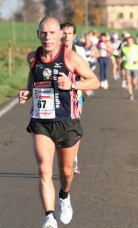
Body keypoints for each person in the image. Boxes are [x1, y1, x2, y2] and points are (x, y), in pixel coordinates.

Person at [18, 17, 100, 228]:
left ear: (60, 35)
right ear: (38, 34)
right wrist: (28, 92)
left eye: (52, 33)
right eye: (44, 33)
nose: (48, 37)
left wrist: (72, 84)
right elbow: (33, 78)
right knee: (44, 168)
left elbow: (94, 82)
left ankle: (64, 195)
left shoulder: (71, 57)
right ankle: (49, 218)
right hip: (41, 121)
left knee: (65, 171)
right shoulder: (32, 58)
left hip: (67, 122)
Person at [60, 21, 92, 175]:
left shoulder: (79, 51)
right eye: (63, 33)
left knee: (74, 124)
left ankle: (74, 159)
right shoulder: (54, 50)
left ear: (74, 36)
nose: (66, 36)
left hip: (75, 94)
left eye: (69, 34)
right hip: (57, 96)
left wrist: (88, 86)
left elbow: (86, 71)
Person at [120, 36, 138, 100]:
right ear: (126, 42)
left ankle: (135, 84)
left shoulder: (137, 47)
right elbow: (122, 56)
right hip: (127, 66)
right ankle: (131, 94)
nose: (129, 42)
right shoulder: (124, 48)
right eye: (128, 41)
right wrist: (121, 60)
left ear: (133, 41)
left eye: (130, 41)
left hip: (135, 67)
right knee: (128, 80)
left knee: (134, 81)